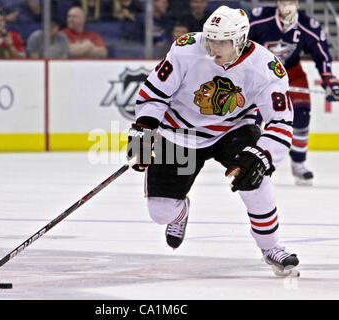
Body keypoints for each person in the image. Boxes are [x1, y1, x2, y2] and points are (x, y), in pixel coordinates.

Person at [126, 5, 300, 277]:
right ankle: (180, 213)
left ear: (240, 40)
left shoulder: (267, 68)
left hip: (232, 131)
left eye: (222, 42)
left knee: (255, 178)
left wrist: (260, 156)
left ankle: (271, 247)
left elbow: (280, 122)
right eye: (210, 39)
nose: (212, 47)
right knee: (160, 212)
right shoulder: (186, 49)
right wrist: (145, 129)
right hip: (179, 134)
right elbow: (154, 95)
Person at [248, 0, 339, 185]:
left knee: (301, 112)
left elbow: (322, 55)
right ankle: (252, 161)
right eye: (284, 1)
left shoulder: (308, 25)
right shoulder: (260, 18)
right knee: (254, 118)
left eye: (291, 1)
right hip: (261, 72)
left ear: (298, 3)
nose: (287, 5)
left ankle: (299, 164)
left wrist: (329, 80)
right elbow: (242, 43)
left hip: (292, 73)